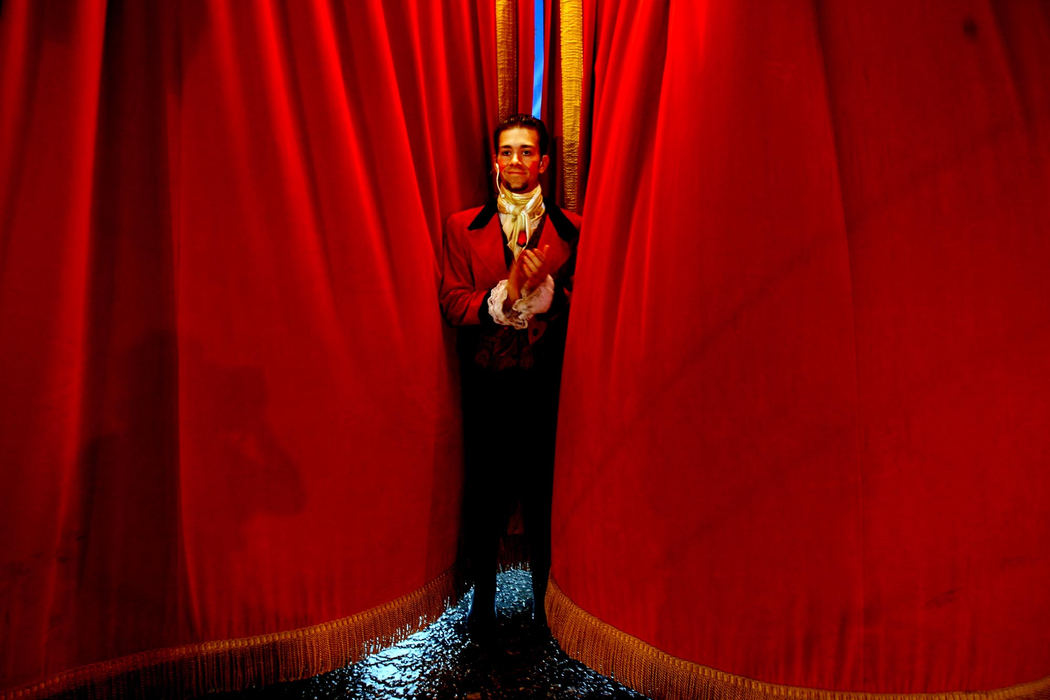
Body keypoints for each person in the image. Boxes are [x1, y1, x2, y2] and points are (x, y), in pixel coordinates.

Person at [439, 114, 581, 637]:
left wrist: (552, 299)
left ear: (543, 162)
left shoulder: (574, 227)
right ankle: (481, 607)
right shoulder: (462, 227)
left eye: (526, 152)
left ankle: (548, 607)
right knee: (485, 493)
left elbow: (591, 306)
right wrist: (501, 300)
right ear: (495, 160)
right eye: (507, 151)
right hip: (486, 383)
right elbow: (453, 302)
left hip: (548, 386)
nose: (515, 161)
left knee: (544, 493)